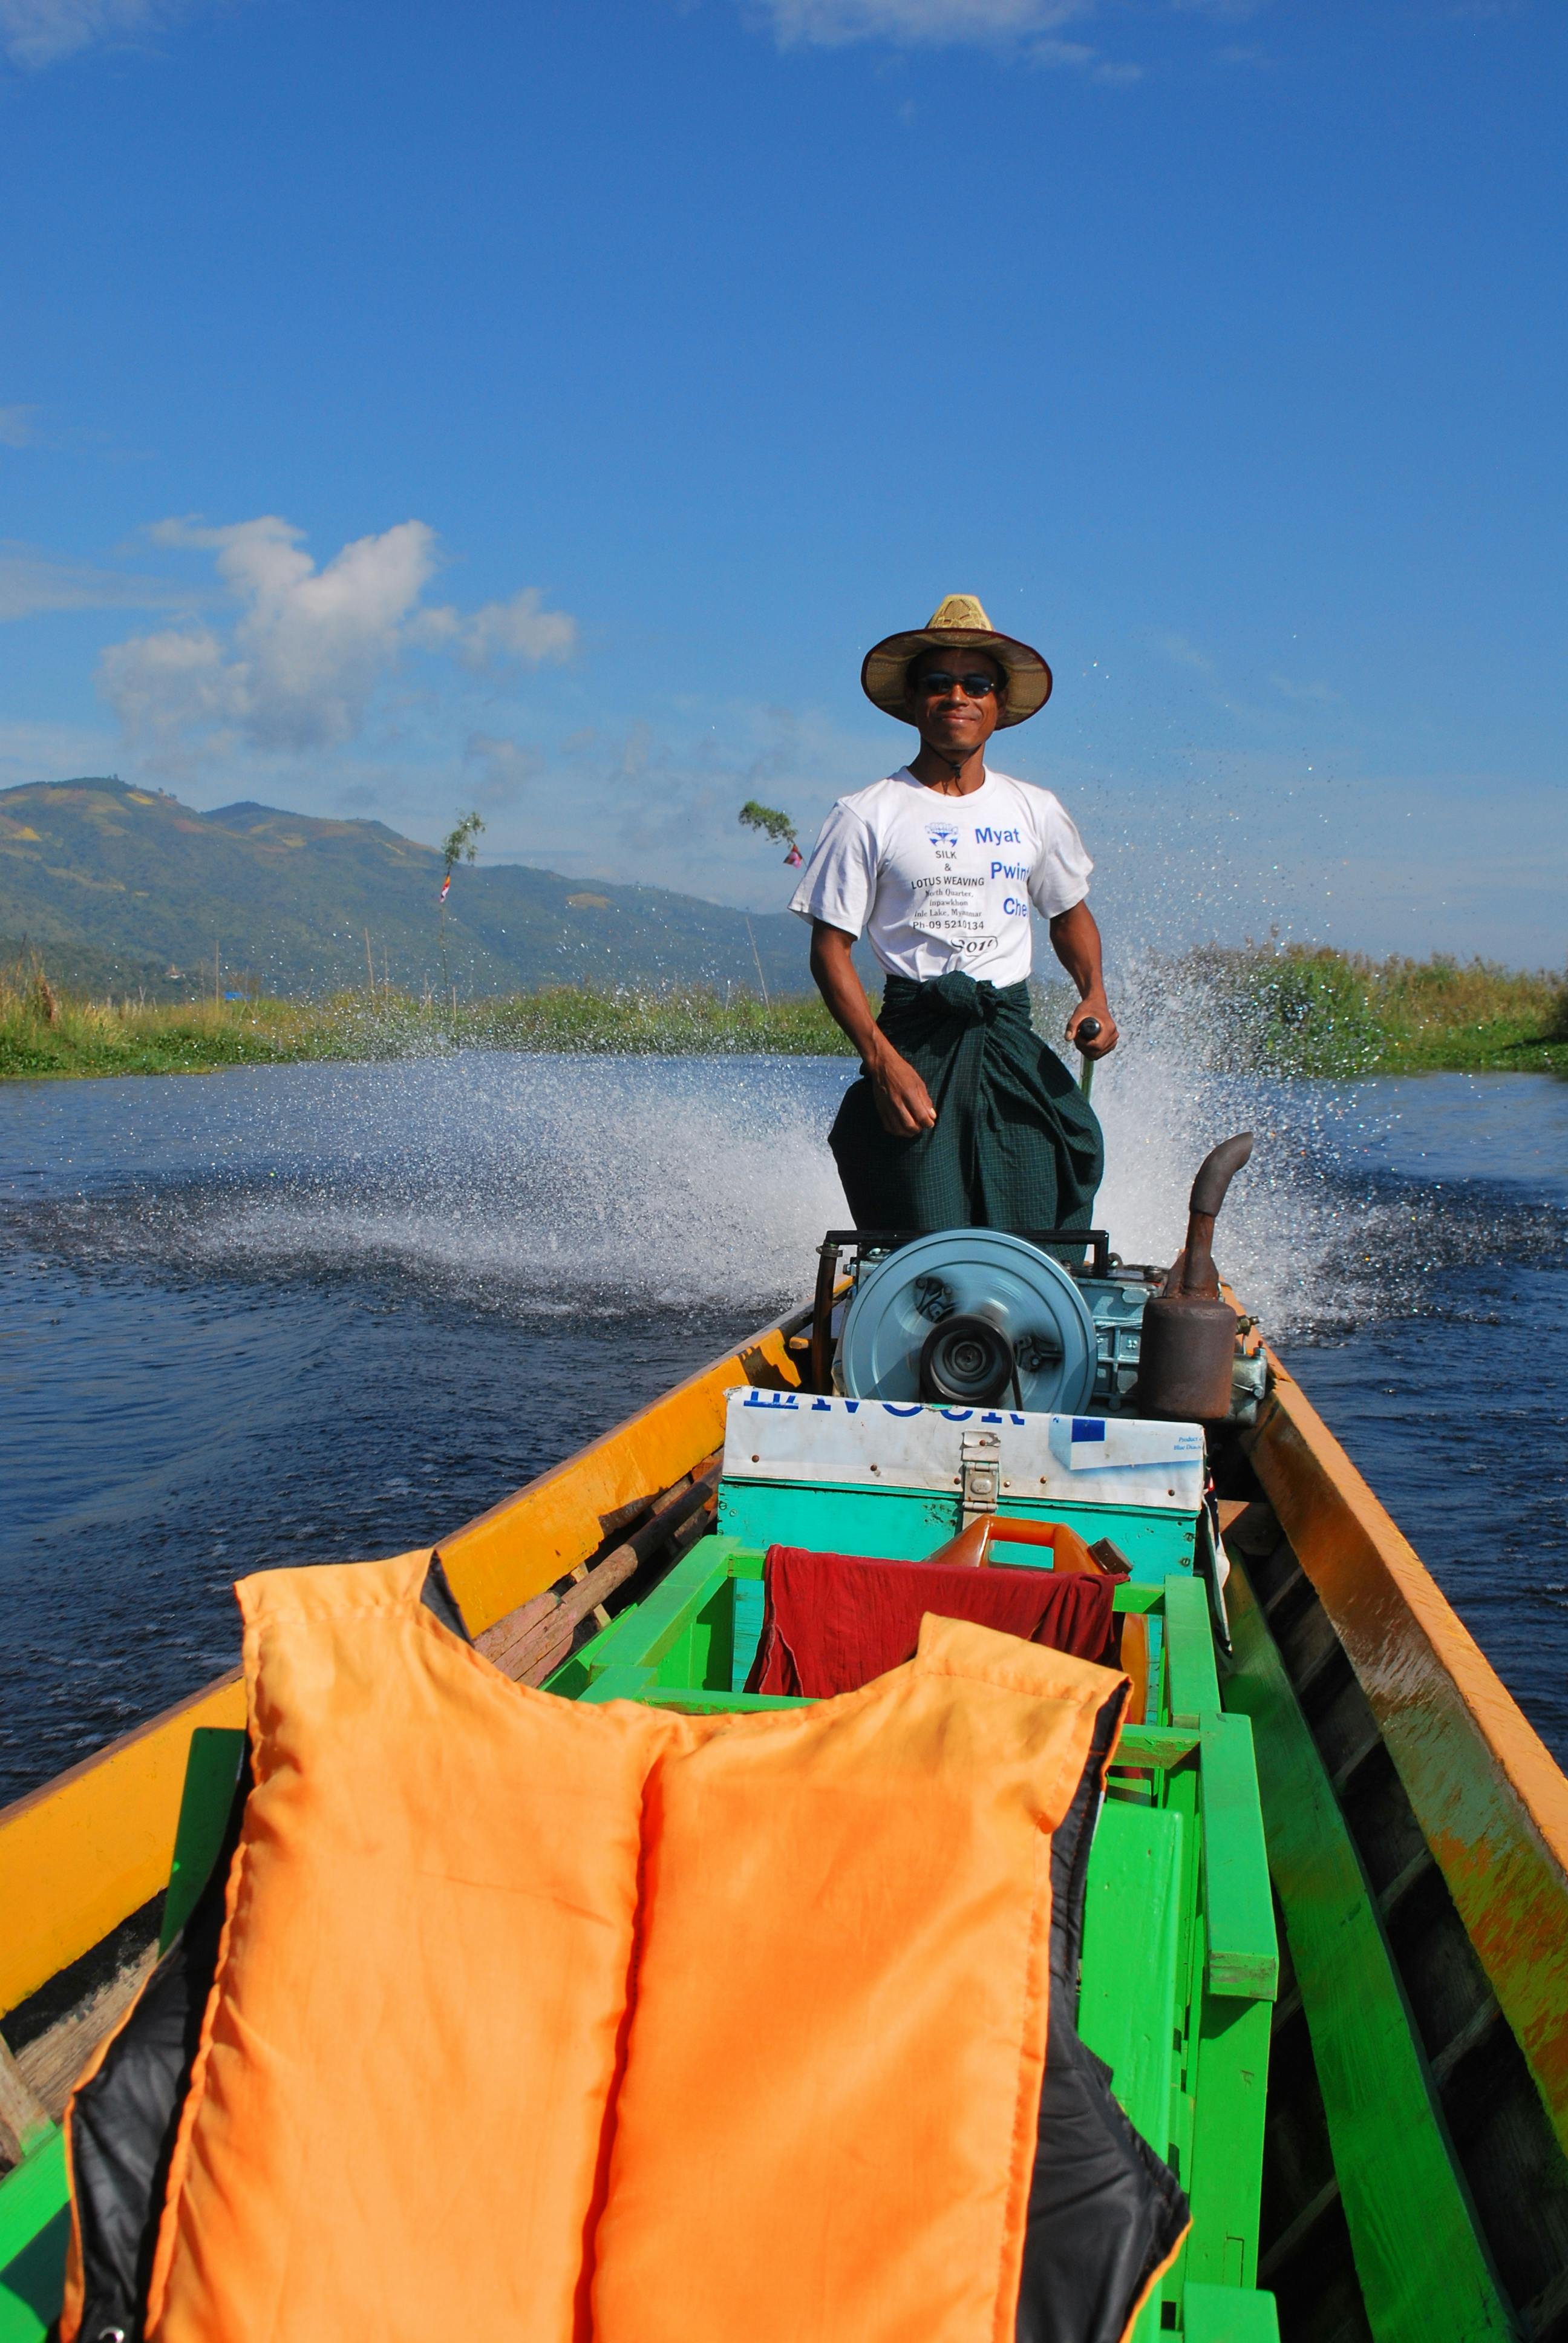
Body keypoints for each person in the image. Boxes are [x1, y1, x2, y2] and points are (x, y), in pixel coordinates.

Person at [790, 594, 1117, 1234]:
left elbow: (1068, 913)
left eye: (976, 684)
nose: (956, 696)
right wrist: (883, 1064)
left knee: (1053, 1185)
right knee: (922, 1223)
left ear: (996, 705)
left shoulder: (1036, 809)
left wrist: (1096, 994)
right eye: (938, 683)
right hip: (915, 1039)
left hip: (1008, 1040)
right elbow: (830, 951)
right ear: (914, 701)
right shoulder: (867, 813)